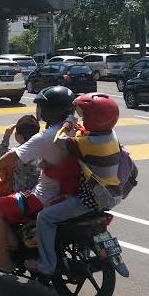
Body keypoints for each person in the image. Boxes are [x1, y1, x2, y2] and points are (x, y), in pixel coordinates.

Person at [0, 86, 76, 273]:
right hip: (70, 192)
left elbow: (14, 155)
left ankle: (4, 261)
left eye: (41, 107)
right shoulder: (73, 127)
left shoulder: (46, 136)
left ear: (50, 110)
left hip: (44, 195)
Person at [27, 92, 122, 277]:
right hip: (112, 194)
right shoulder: (111, 135)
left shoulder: (88, 142)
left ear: (95, 119)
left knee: (45, 218)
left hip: (92, 198)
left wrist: (69, 122)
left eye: (84, 115)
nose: (82, 118)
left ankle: (46, 264)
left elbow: (59, 141)